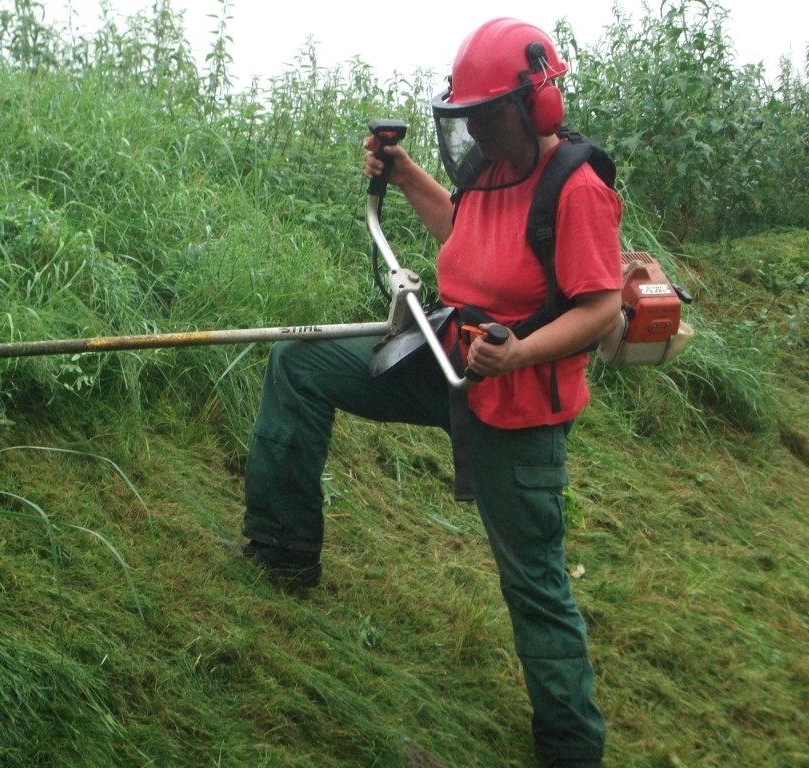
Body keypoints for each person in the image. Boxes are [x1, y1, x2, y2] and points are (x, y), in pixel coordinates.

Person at [241, 17, 622, 768]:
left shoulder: (575, 188)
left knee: (535, 582)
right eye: (469, 117)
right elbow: (461, 230)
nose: (478, 129)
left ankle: (573, 746)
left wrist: (517, 355)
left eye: (490, 116)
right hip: (446, 363)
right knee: (303, 363)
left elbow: (599, 307)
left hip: (517, 405)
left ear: (535, 105)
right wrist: (405, 173)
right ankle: (282, 552)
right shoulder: (487, 169)